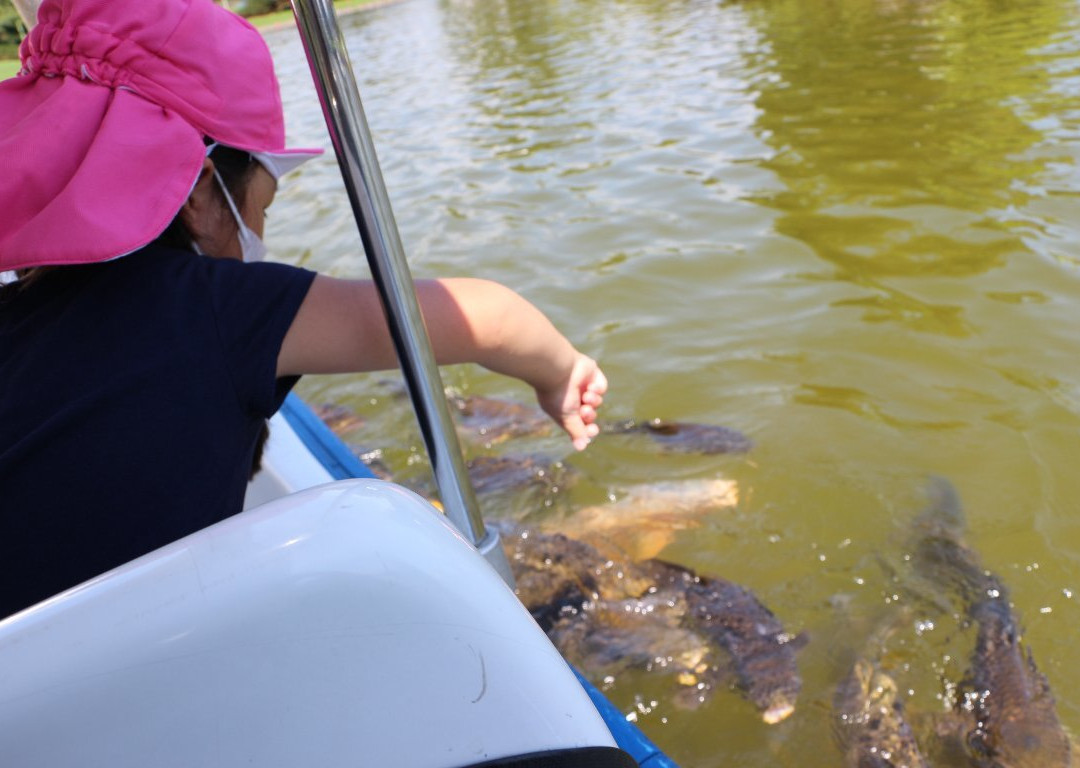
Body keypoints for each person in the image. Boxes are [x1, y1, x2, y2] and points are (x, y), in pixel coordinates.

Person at [0, 0, 607, 619]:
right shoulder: (219, 308)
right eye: (263, 204)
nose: (261, 228)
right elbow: (488, 318)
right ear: (200, 192)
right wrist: (562, 373)